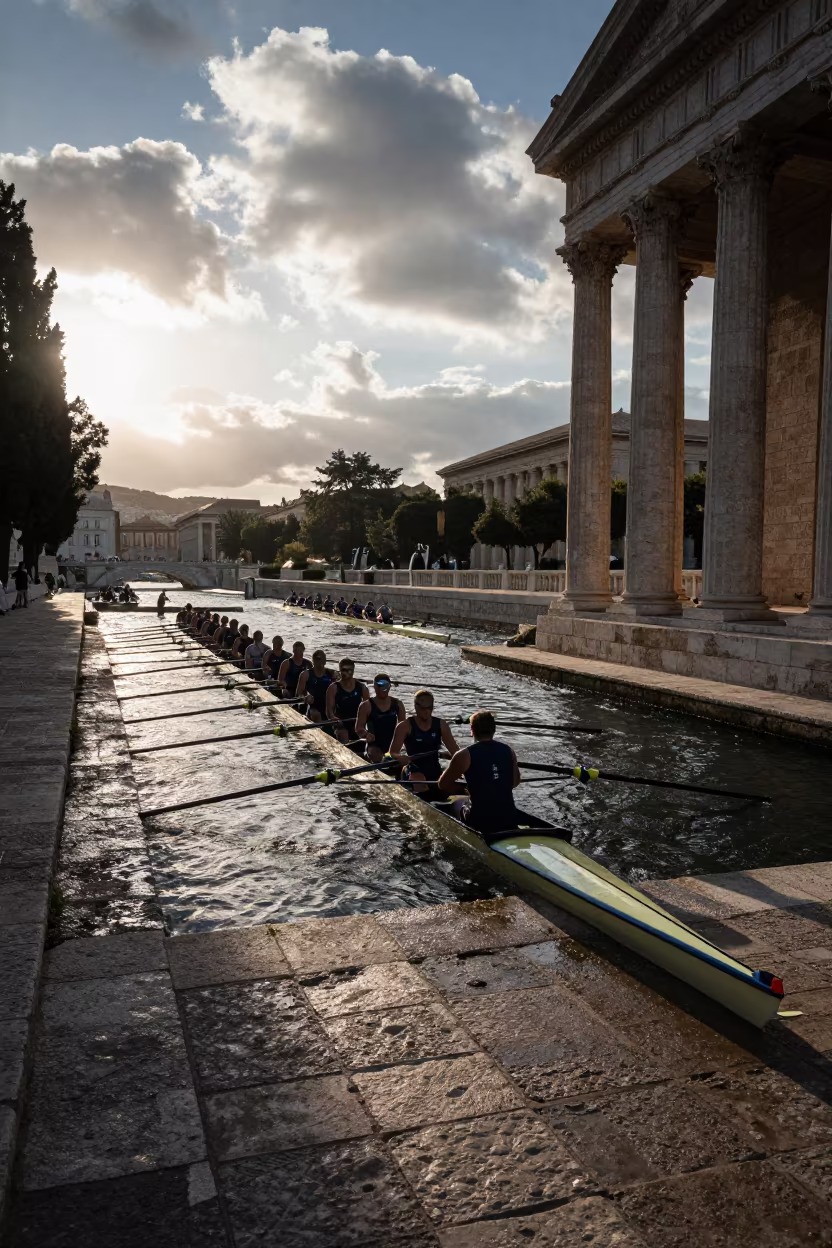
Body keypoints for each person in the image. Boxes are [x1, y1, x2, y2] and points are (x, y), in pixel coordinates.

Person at [438, 710, 549, 841]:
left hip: (481, 822)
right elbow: (514, 782)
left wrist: (464, 790)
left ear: (472, 730)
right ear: (494, 729)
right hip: (508, 818)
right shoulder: (509, 751)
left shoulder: (464, 755)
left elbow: (442, 784)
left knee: (455, 803)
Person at [390, 690, 459, 798]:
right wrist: (399, 757)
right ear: (416, 707)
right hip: (413, 770)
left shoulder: (441, 725)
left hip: (434, 770)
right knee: (419, 779)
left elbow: (457, 753)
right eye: (423, 708)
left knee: (458, 783)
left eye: (429, 708)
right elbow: (392, 752)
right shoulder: (404, 726)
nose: (426, 712)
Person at [355, 674, 405, 763]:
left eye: (385, 685)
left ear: (389, 687)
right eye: (379, 685)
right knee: (376, 756)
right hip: (374, 746)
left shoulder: (398, 704)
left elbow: (404, 729)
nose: (382, 688)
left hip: (391, 745)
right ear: (374, 686)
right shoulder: (366, 706)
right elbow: (359, 728)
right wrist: (366, 735)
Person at [325, 657, 369, 746]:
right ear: (340, 670)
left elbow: (369, 710)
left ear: (353, 671)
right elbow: (329, 711)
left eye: (349, 670)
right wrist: (333, 718)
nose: (345, 673)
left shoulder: (362, 688)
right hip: (340, 723)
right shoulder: (333, 688)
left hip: (357, 722)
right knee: (344, 735)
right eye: (343, 670)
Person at [296, 649, 336, 723]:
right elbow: (298, 695)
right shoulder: (305, 674)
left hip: (328, 704)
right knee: (315, 714)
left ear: (325, 661)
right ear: (313, 661)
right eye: (317, 659)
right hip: (313, 706)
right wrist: (305, 697)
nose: (319, 662)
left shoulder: (332, 674)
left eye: (321, 659)